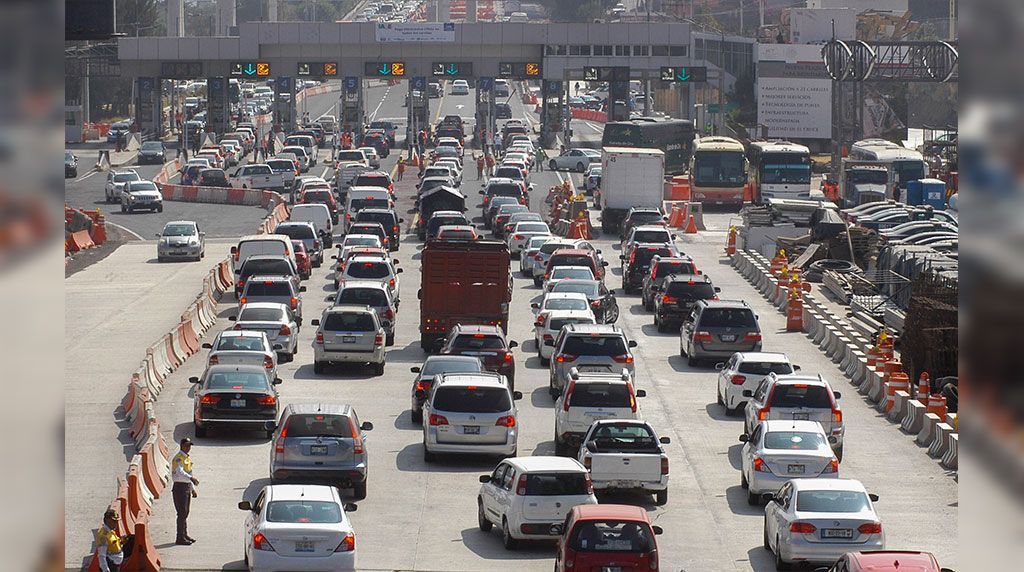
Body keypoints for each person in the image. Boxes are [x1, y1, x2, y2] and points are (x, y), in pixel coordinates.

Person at [171, 437, 199, 546]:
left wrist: (193, 489)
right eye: (187, 445)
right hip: (179, 488)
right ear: (182, 446)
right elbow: (180, 471)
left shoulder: (187, 459)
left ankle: (184, 534)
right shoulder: (178, 458)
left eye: (189, 446)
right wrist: (191, 479)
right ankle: (179, 537)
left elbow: (189, 474)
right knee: (182, 513)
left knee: (186, 512)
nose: (188, 448)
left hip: (186, 486)